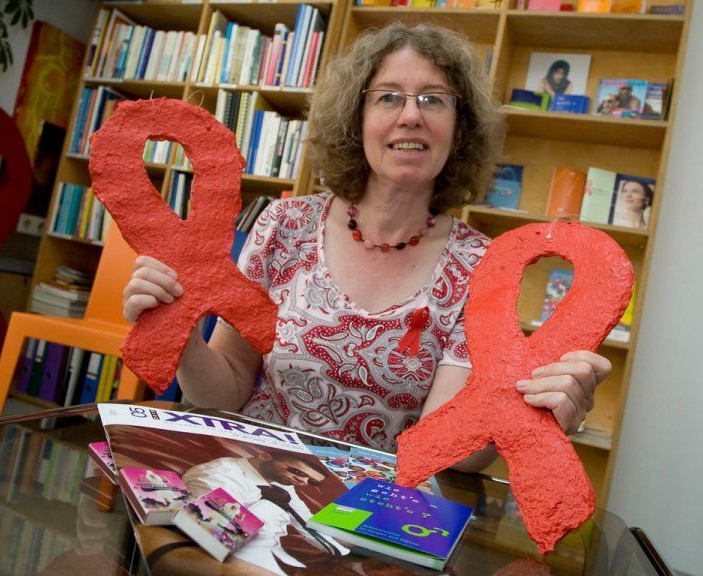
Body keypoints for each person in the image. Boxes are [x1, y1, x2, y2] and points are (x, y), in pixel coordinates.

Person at [123, 23, 612, 472]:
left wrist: (526, 413)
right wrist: (180, 337)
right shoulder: (282, 226)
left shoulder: (483, 267)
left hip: (372, 514)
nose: (412, 115)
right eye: (388, 98)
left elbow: (451, 449)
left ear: (460, 131)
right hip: (251, 483)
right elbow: (224, 393)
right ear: (355, 119)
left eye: (434, 100)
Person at [182, 451, 349, 576]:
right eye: (298, 472)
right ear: (265, 456)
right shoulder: (219, 475)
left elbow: (304, 521)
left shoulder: (280, 478)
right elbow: (213, 533)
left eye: (311, 481)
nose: (303, 482)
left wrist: (344, 554)